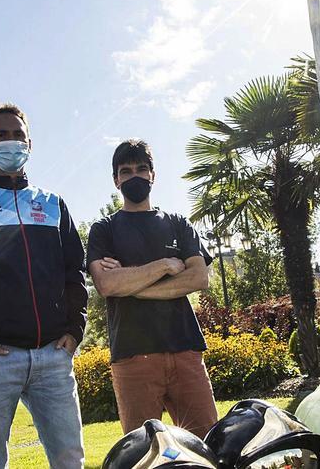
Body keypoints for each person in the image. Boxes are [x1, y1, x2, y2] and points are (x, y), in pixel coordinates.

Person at [0, 103, 88, 468]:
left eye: (18, 135)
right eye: (2, 136)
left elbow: (73, 271)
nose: (11, 142)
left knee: (69, 459)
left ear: (30, 143)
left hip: (53, 356)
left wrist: (75, 330)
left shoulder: (53, 203)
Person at [86, 139, 218, 438]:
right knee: (143, 452)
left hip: (186, 351)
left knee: (208, 446)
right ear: (116, 180)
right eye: (126, 171)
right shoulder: (104, 229)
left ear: (153, 175)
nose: (135, 176)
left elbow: (198, 279)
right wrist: (164, 265)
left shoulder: (177, 223)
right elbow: (106, 283)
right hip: (133, 357)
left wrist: (131, 285)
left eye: (142, 169)